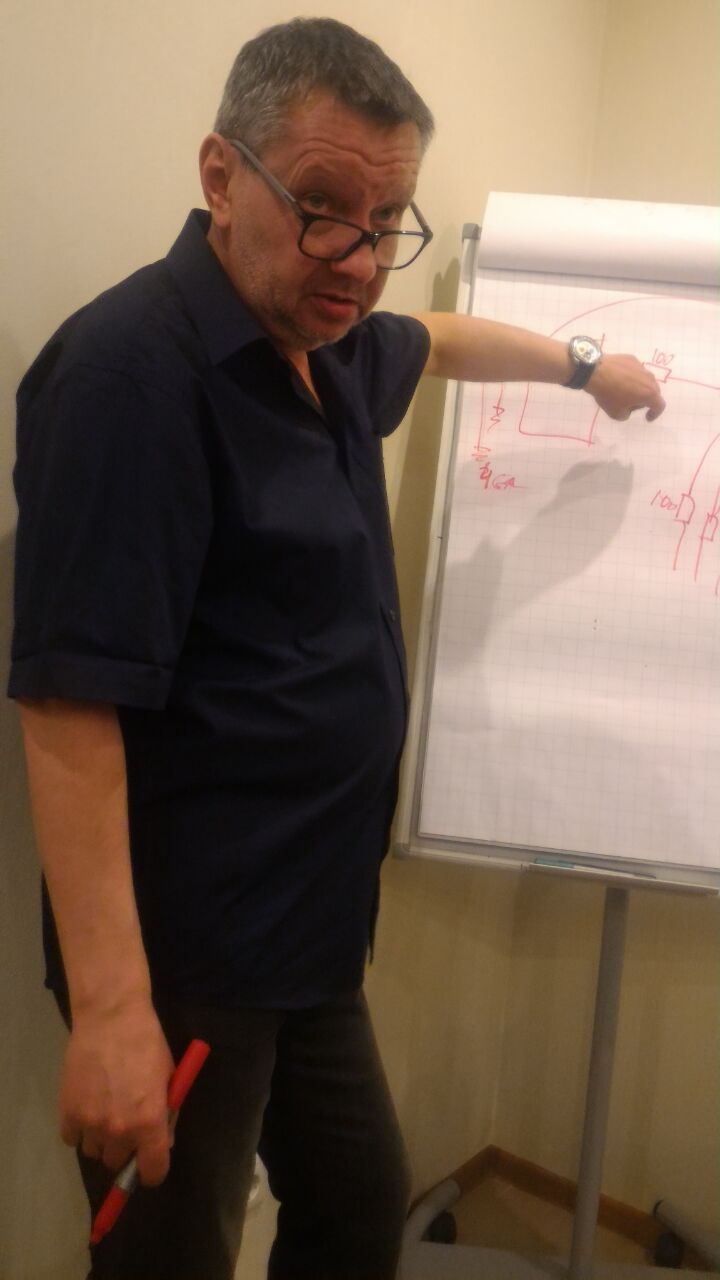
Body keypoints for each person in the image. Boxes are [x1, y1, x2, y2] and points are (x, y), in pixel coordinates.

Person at [9, 17, 665, 1280]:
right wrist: (111, 1011)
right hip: (191, 955)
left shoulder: (329, 341)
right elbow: (69, 703)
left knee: (358, 1216)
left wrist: (587, 367)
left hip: (309, 927)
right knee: (168, 1261)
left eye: (387, 220)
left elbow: (442, 339)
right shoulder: (128, 377)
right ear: (221, 176)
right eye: (322, 209)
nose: (361, 262)